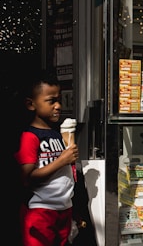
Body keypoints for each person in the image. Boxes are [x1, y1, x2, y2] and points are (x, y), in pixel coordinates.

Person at [14, 70, 79, 246]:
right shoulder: (29, 137)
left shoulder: (56, 134)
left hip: (63, 208)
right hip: (40, 211)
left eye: (58, 100)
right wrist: (62, 160)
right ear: (31, 104)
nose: (58, 106)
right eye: (51, 101)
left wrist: (70, 158)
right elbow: (27, 178)